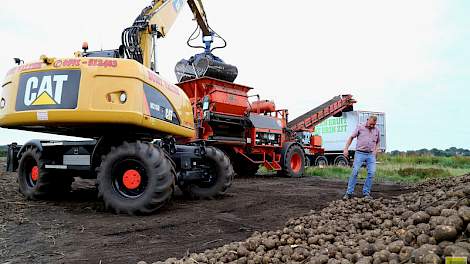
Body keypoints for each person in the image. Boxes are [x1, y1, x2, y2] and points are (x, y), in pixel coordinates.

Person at [342, 115, 380, 199]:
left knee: (371, 173)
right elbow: (351, 137)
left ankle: (366, 193)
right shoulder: (360, 127)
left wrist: (376, 150)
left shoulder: (377, 130)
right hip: (360, 153)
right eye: (371, 124)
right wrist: (346, 149)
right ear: (367, 120)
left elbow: (378, 142)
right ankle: (349, 193)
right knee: (355, 172)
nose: (372, 126)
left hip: (371, 155)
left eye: (374, 125)